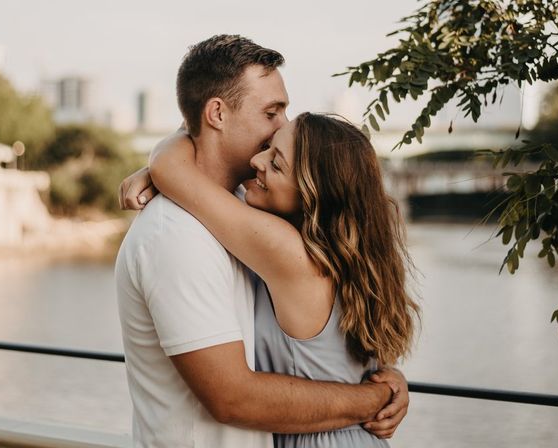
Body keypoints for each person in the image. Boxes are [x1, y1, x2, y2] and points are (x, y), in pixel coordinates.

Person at [115, 35, 409, 448]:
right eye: (272, 112)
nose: (281, 127)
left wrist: (164, 157)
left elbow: (175, 171)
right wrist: (376, 392)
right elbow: (232, 397)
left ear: (313, 189)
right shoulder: (191, 229)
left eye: (278, 160)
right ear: (216, 113)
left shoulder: (279, 243)